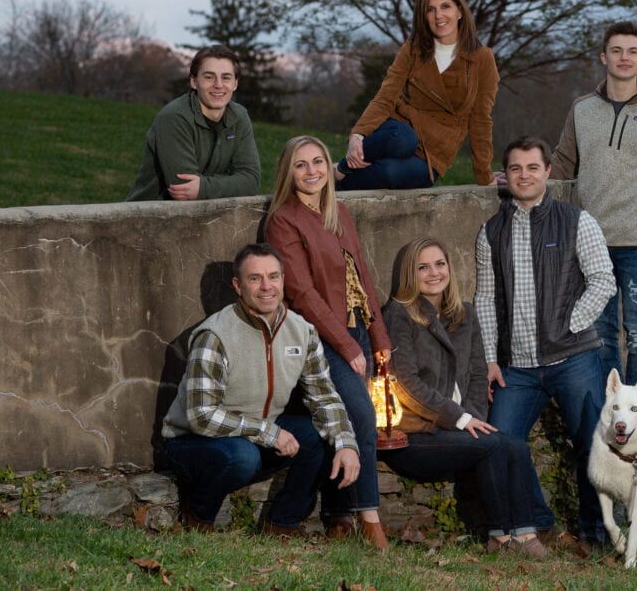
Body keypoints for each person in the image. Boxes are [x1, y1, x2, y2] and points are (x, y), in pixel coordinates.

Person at [475, 137, 616, 548]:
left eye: (532, 168)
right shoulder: (491, 231)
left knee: (594, 443)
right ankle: (537, 522)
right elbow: (485, 297)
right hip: (516, 366)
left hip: (573, 356)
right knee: (501, 443)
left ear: (547, 171)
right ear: (506, 175)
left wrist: (571, 322)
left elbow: (603, 280)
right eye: (516, 168)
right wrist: (488, 357)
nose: (524, 176)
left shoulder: (577, 221)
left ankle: (598, 533)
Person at [161, 243, 360, 535]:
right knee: (242, 457)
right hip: (192, 442)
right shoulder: (215, 335)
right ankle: (198, 517)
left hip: (256, 431)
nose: (267, 286)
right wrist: (269, 433)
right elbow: (201, 416)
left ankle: (281, 524)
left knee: (320, 435)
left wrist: (346, 443)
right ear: (238, 286)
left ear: (283, 279)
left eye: (274, 276)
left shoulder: (302, 331)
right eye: (255, 278)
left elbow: (324, 397)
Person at [381, 237, 547, 558]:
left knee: (513, 444)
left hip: (455, 426)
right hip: (415, 434)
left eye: (440, 264)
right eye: (422, 267)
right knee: (495, 444)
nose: (434, 273)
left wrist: (471, 420)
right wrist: (460, 419)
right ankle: (500, 539)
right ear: (409, 274)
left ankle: (525, 534)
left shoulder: (465, 314)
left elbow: (475, 376)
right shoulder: (399, 314)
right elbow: (406, 383)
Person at [264, 135, 391, 550]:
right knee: (360, 417)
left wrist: (378, 338)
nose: (312, 171)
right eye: (301, 165)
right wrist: (347, 346)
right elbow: (300, 292)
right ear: (288, 172)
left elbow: (363, 278)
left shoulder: (340, 213)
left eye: (318, 161)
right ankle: (369, 518)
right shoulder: (283, 220)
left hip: (355, 329)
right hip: (319, 339)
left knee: (345, 422)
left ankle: (338, 516)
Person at [550, 21, 637, 386]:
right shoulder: (581, 109)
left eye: (632, 52)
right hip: (592, 242)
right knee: (602, 337)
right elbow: (562, 165)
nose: (624, 58)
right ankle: (611, 416)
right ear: (603, 56)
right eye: (617, 50)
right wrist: (524, 177)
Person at [336, 0, 500, 190]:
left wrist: (485, 176)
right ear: (423, 17)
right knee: (403, 139)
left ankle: (335, 187)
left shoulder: (482, 59)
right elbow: (386, 97)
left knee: (388, 172)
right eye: (430, 9)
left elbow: (480, 120)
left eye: (445, 7)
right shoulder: (412, 50)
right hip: (401, 130)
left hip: (434, 153)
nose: (438, 15)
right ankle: (341, 168)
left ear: (460, 11)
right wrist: (357, 136)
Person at [127, 45, 261, 201]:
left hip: (207, 217)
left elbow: (251, 180)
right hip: (148, 217)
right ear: (194, 81)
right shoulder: (174, 118)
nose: (218, 84)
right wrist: (231, 183)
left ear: (235, 83)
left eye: (226, 77)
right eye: (209, 77)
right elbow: (183, 188)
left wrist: (203, 187)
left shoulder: (239, 117)